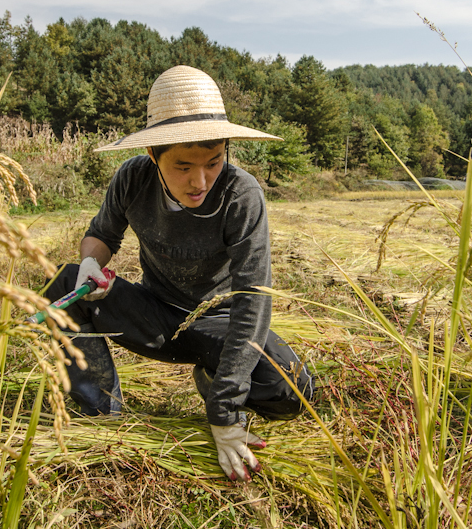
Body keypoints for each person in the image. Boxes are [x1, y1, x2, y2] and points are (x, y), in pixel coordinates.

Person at [45, 65, 315, 482]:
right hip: (155, 314)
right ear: (153, 156)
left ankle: (213, 374)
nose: (199, 181)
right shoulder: (132, 179)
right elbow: (101, 235)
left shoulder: (241, 195)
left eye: (213, 162)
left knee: (292, 390)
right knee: (65, 284)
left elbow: (253, 300)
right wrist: (90, 266)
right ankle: (98, 408)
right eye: (183, 166)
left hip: (220, 323)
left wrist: (224, 410)